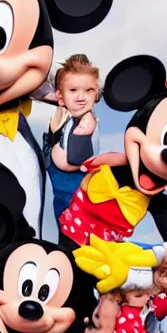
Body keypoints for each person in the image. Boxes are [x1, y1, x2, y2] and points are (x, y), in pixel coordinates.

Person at [43, 54, 101, 222]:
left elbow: (75, 159)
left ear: (96, 94)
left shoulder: (87, 122)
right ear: (60, 97)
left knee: (73, 233)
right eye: (73, 90)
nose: (81, 97)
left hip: (74, 190)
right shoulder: (68, 118)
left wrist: (54, 151)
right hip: (62, 191)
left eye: (88, 90)